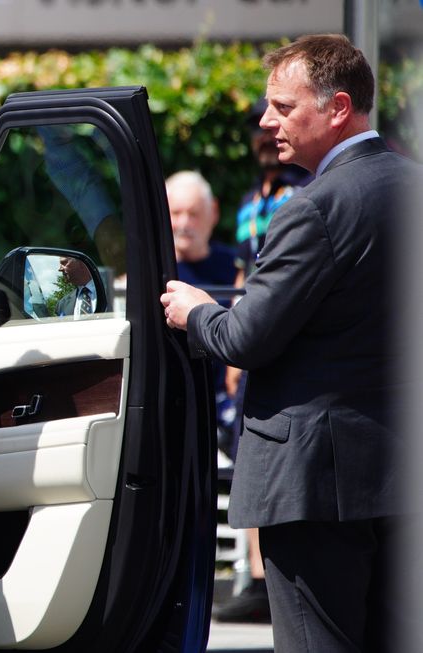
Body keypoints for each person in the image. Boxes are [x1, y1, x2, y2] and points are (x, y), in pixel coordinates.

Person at [160, 34, 420, 652]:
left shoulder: (316, 207)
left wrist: (197, 311)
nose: (266, 120)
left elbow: (247, 336)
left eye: (282, 106)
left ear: (336, 108)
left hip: (314, 487)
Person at [212, 100, 311, 625]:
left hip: (277, 325)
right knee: (247, 449)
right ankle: (255, 575)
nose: (264, 142)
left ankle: (266, 577)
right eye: (256, 133)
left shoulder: (303, 193)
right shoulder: (253, 199)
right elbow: (243, 271)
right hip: (251, 327)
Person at [165, 170, 238, 443]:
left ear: (214, 212)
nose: (185, 223)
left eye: (194, 214)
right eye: (176, 213)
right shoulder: (148, 274)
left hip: (228, 403)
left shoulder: (236, 268)